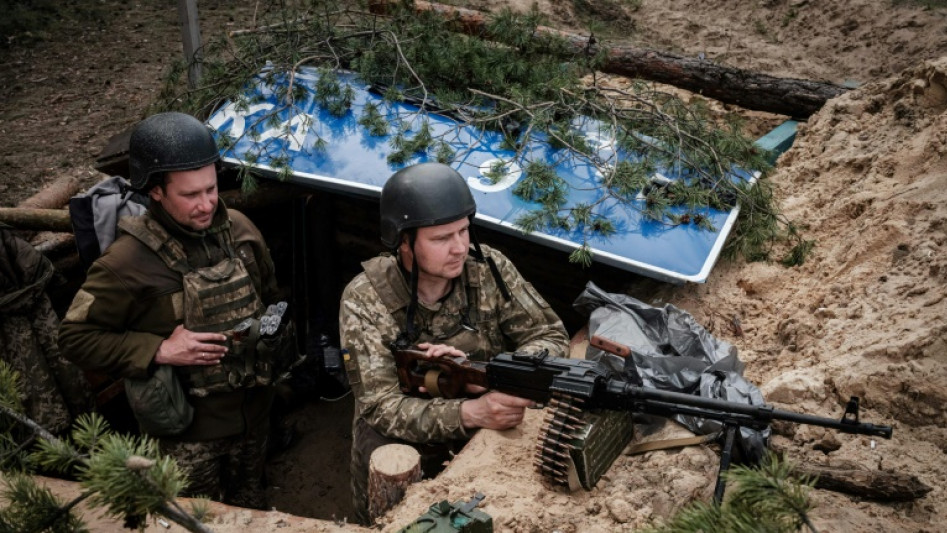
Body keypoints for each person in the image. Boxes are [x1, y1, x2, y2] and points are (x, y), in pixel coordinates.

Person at [59, 112, 293, 509]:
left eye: (211, 189)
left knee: (249, 507)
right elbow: (74, 338)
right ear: (155, 192)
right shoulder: (126, 263)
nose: (206, 205)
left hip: (255, 415)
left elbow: (269, 296)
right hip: (187, 437)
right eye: (189, 195)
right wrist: (158, 350)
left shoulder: (241, 230)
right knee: (194, 517)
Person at [339, 162, 570, 524]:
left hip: (480, 437)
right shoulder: (366, 298)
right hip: (398, 446)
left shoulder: (489, 268)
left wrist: (490, 374)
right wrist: (469, 412)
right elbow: (380, 406)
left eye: (464, 231)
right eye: (442, 238)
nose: (460, 247)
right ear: (404, 242)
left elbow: (549, 336)